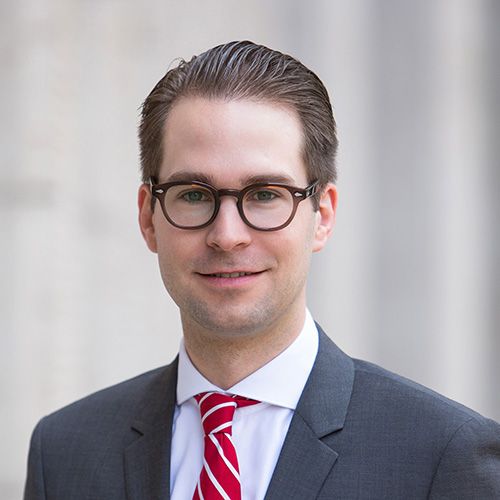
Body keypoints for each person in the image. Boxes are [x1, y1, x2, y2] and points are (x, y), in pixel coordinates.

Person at [24, 40, 500, 500]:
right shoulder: (64, 453)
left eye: (266, 194)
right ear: (149, 217)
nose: (227, 235)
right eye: (194, 195)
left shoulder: (443, 456)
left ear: (323, 216)